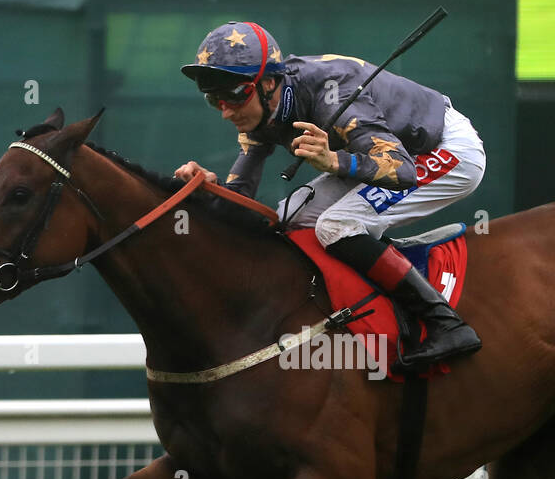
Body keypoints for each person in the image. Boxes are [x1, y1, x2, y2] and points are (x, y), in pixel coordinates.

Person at [175, 20, 484, 371]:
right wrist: (208, 189)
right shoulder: (261, 111)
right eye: (214, 99)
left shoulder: (332, 92)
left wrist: (335, 160)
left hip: (445, 151)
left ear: (269, 83)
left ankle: (446, 324)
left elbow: (401, 171)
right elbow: (240, 204)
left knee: (336, 224)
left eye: (234, 95)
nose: (226, 110)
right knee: (288, 218)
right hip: (391, 153)